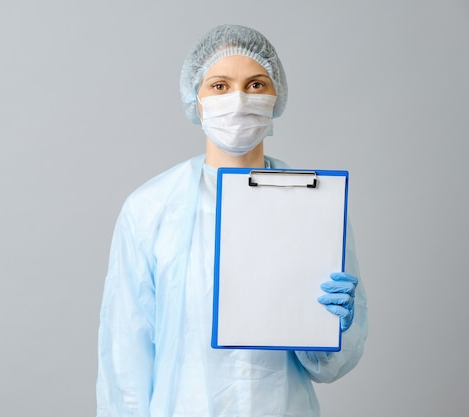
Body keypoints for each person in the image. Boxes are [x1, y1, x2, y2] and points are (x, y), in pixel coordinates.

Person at [96, 23, 368, 417]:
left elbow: (327, 367)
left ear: (277, 97)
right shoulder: (151, 209)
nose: (239, 100)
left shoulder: (315, 206)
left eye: (256, 84)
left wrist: (332, 331)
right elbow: (126, 359)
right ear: (196, 97)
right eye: (220, 86)